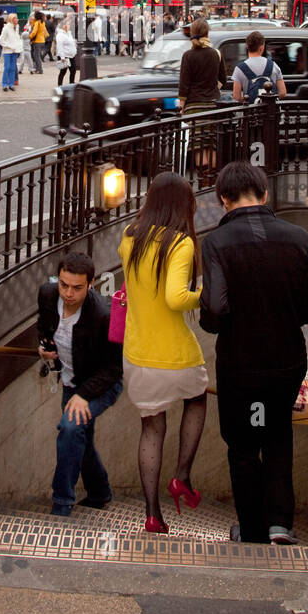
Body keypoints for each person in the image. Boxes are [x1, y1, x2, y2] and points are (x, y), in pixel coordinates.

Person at [200, 161, 308, 545]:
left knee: (242, 447)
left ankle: (252, 531)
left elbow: (215, 310)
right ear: (265, 194)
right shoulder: (298, 237)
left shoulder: (217, 243)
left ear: (224, 200)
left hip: (240, 364)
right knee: (277, 437)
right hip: (286, 361)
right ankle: (279, 525)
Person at [119, 173, 208, 535]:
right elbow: (175, 298)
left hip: (137, 356)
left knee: (151, 427)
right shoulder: (181, 243)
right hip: (176, 354)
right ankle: (182, 475)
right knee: (198, 399)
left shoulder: (129, 238)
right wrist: (202, 292)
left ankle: (153, 515)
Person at [37, 252, 123, 515]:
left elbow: (114, 368)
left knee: (71, 429)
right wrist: (43, 347)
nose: (68, 293)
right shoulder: (48, 294)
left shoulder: (103, 315)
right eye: (64, 285)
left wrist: (84, 395)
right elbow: (44, 327)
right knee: (79, 441)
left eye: (77, 287)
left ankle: (62, 503)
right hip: (70, 381)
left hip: (100, 386)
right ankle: (99, 493)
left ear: (91, 284)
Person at [178, 18, 227, 112]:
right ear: (207, 33)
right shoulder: (216, 54)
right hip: (213, 105)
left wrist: (181, 108)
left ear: (192, 33)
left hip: (193, 106)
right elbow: (223, 80)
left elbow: (184, 85)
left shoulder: (188, 56)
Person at [232, 30, 287, 103]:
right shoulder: (273, 65)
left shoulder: (239, 68)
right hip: (271, 111)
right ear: (261, 47)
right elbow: (283, 93)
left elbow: (236, 97)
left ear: (247, 47)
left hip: (252, 112)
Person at [0, 12, 23, 90]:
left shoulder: (17, 27)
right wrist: (8, 46)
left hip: (15, 50)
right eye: (15, 18)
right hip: (7, 51)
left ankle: (11, 84)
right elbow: (1, 40)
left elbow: (17, 38)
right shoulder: (6, 28)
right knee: (7, 67)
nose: (17, 20)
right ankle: (4, 84)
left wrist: (19, 47)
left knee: (13, 68)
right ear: (11, 19)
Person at [55, 16, 78, 86]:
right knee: (63, 71)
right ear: (64, 26)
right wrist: (62, 57)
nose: (69, 26)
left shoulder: (69, 33)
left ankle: (71, 83)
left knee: (73, 71)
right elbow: (60, 46)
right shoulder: (60, 35)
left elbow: (71, 42)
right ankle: (59, 85)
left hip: (71, 55)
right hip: (64, 56)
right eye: (68, 24)